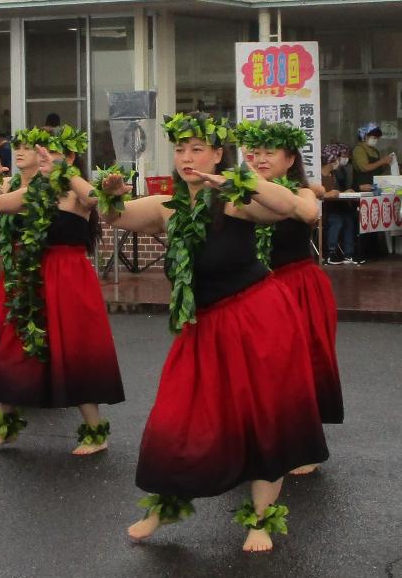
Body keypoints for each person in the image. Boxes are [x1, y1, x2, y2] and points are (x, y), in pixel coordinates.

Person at [105, 112, 324, 553]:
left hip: (257, 317)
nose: (187, 157)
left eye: (197, 149)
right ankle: (162, 506)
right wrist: (110, 198)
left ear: (217, 154)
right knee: (177, 415)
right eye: (181, 149)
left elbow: (296, 209)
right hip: (202, 325)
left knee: (263, 418)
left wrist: (239, 180)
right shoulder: (167, 207)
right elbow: (118, 217)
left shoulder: (233, 199)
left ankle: (260, 519)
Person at [0, 125, 124, 456]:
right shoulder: (31, 193)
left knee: (74, 353)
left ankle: (95, 430)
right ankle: (6, 428)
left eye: (49, 152)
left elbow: (98, 200)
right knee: (13, 352)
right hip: (31, 279)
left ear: (70, 157)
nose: (42, 157)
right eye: (40, 152)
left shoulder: (76, 194)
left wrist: (65, 171)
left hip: (70, 280)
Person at [236, 120, 341, 471]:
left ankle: (304, 445)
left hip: (298, 286)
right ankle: (260, 436)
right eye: (256, 152)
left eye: (270, 152)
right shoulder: (240, 193)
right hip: (255, 291)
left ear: (290, 157)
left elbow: (309, 212)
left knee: (301, 365)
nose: (261, 158)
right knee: (259, 365)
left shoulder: (303, 192)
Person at [320, 142, 359, 264]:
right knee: (337, 220)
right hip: (324, 208)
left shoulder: (338, 172)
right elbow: (322, 178)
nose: (343, 159)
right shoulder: (321, 171)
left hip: (337, 204)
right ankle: (331, 253)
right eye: (340, 156)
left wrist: (344, 191)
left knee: (349, 219)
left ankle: (348, 254)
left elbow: (338, 189)